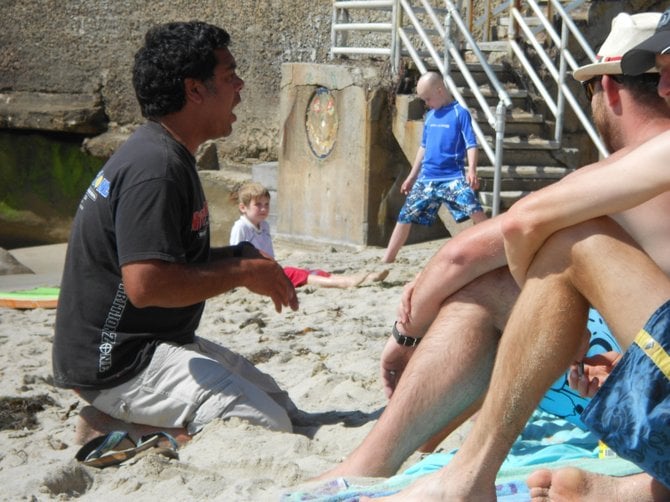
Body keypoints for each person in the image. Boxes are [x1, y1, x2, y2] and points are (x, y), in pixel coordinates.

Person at [318, 12, 670, 495]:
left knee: (530, 266)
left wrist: (405, 335)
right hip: (643, 347)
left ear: (607, 89)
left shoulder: (642, 164)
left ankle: (394, 465)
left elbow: (468, 252)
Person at [53, 21, 303, 446]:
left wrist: (236, 255)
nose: (241, 86)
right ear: (194, 89)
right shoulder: (157, 168)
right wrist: (242, 272)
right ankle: (121, 426)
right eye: (229, 76)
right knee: (264, 427)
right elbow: (146, 285)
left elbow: (170, 262)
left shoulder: (166, 152)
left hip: (149, 344)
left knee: (282, 407)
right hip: (118, 364)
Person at [382, 71, 486, 263]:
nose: (426, 104)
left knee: (474, 209)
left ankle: (495, 245)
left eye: (428, 99)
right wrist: (412, 176)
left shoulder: (459, 113)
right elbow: (424, 147)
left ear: (440, 90)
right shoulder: (430, 116)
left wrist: (471, 170)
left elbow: (471, 144)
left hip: (452, 178)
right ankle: (387, 259)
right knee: (405, 215)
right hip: (427, 179)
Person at [230, 182, 389, 288]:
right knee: (297, 274)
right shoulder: (241, 227)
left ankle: (365, 278)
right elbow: (234, 260)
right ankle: (346, 283)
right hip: (255, 276)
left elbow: (270, 255)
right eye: (258, 205)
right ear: (243, 208)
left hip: (269, 269)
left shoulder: (264, 226)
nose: (264, 209)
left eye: (266, 204)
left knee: (312, 271)